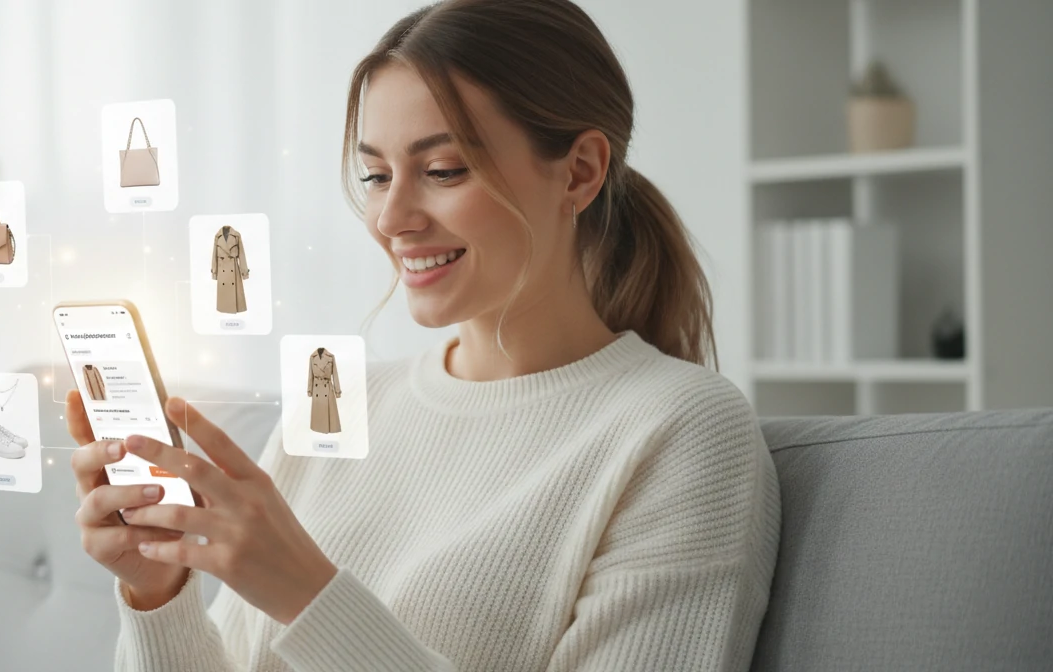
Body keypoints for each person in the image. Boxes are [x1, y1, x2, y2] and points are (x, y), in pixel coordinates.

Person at [67, 0, 781, 669]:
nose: (391, 218)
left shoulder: (682, 431)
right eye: (376, 176)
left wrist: (305, 593)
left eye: (442, 170)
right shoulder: (342, 407)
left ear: (581, 172)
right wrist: (159, 594)